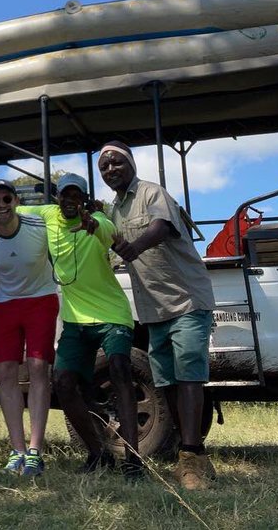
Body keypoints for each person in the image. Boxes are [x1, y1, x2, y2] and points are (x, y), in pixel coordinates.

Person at [0, 160, 140, 479]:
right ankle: (97, 454)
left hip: (111, 314)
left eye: (76, 196)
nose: (69, 201)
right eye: (65, 195)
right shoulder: (46, 215)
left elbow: (110, 232)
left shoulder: (98, 219)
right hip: (76, 318)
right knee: (62, 382)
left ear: (85, 200)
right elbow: (2, 211)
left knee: (119, 370)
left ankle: (133, 460)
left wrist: (95, 222)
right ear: (57, 198)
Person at [98, 141, 218, 490]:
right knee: (166, 383)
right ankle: (193, 456)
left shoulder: (152, 193)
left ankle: (191, 458)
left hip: (186, 300)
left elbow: (163, 227)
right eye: (104, 166)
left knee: (189, 377)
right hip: (154, 309)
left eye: (116, 162)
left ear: (131, 163)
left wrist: (134, 247)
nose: (110, 170)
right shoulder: (113, 210)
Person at [0, 177, 57, 478]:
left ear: (15, 201)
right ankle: (17, 449)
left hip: (41, 299)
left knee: (38, 368)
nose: (1, 205)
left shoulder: (38, 226)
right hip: (6, 303)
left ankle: (35, 451)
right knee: (6, 372)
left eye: (6, 199)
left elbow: (62, 225)